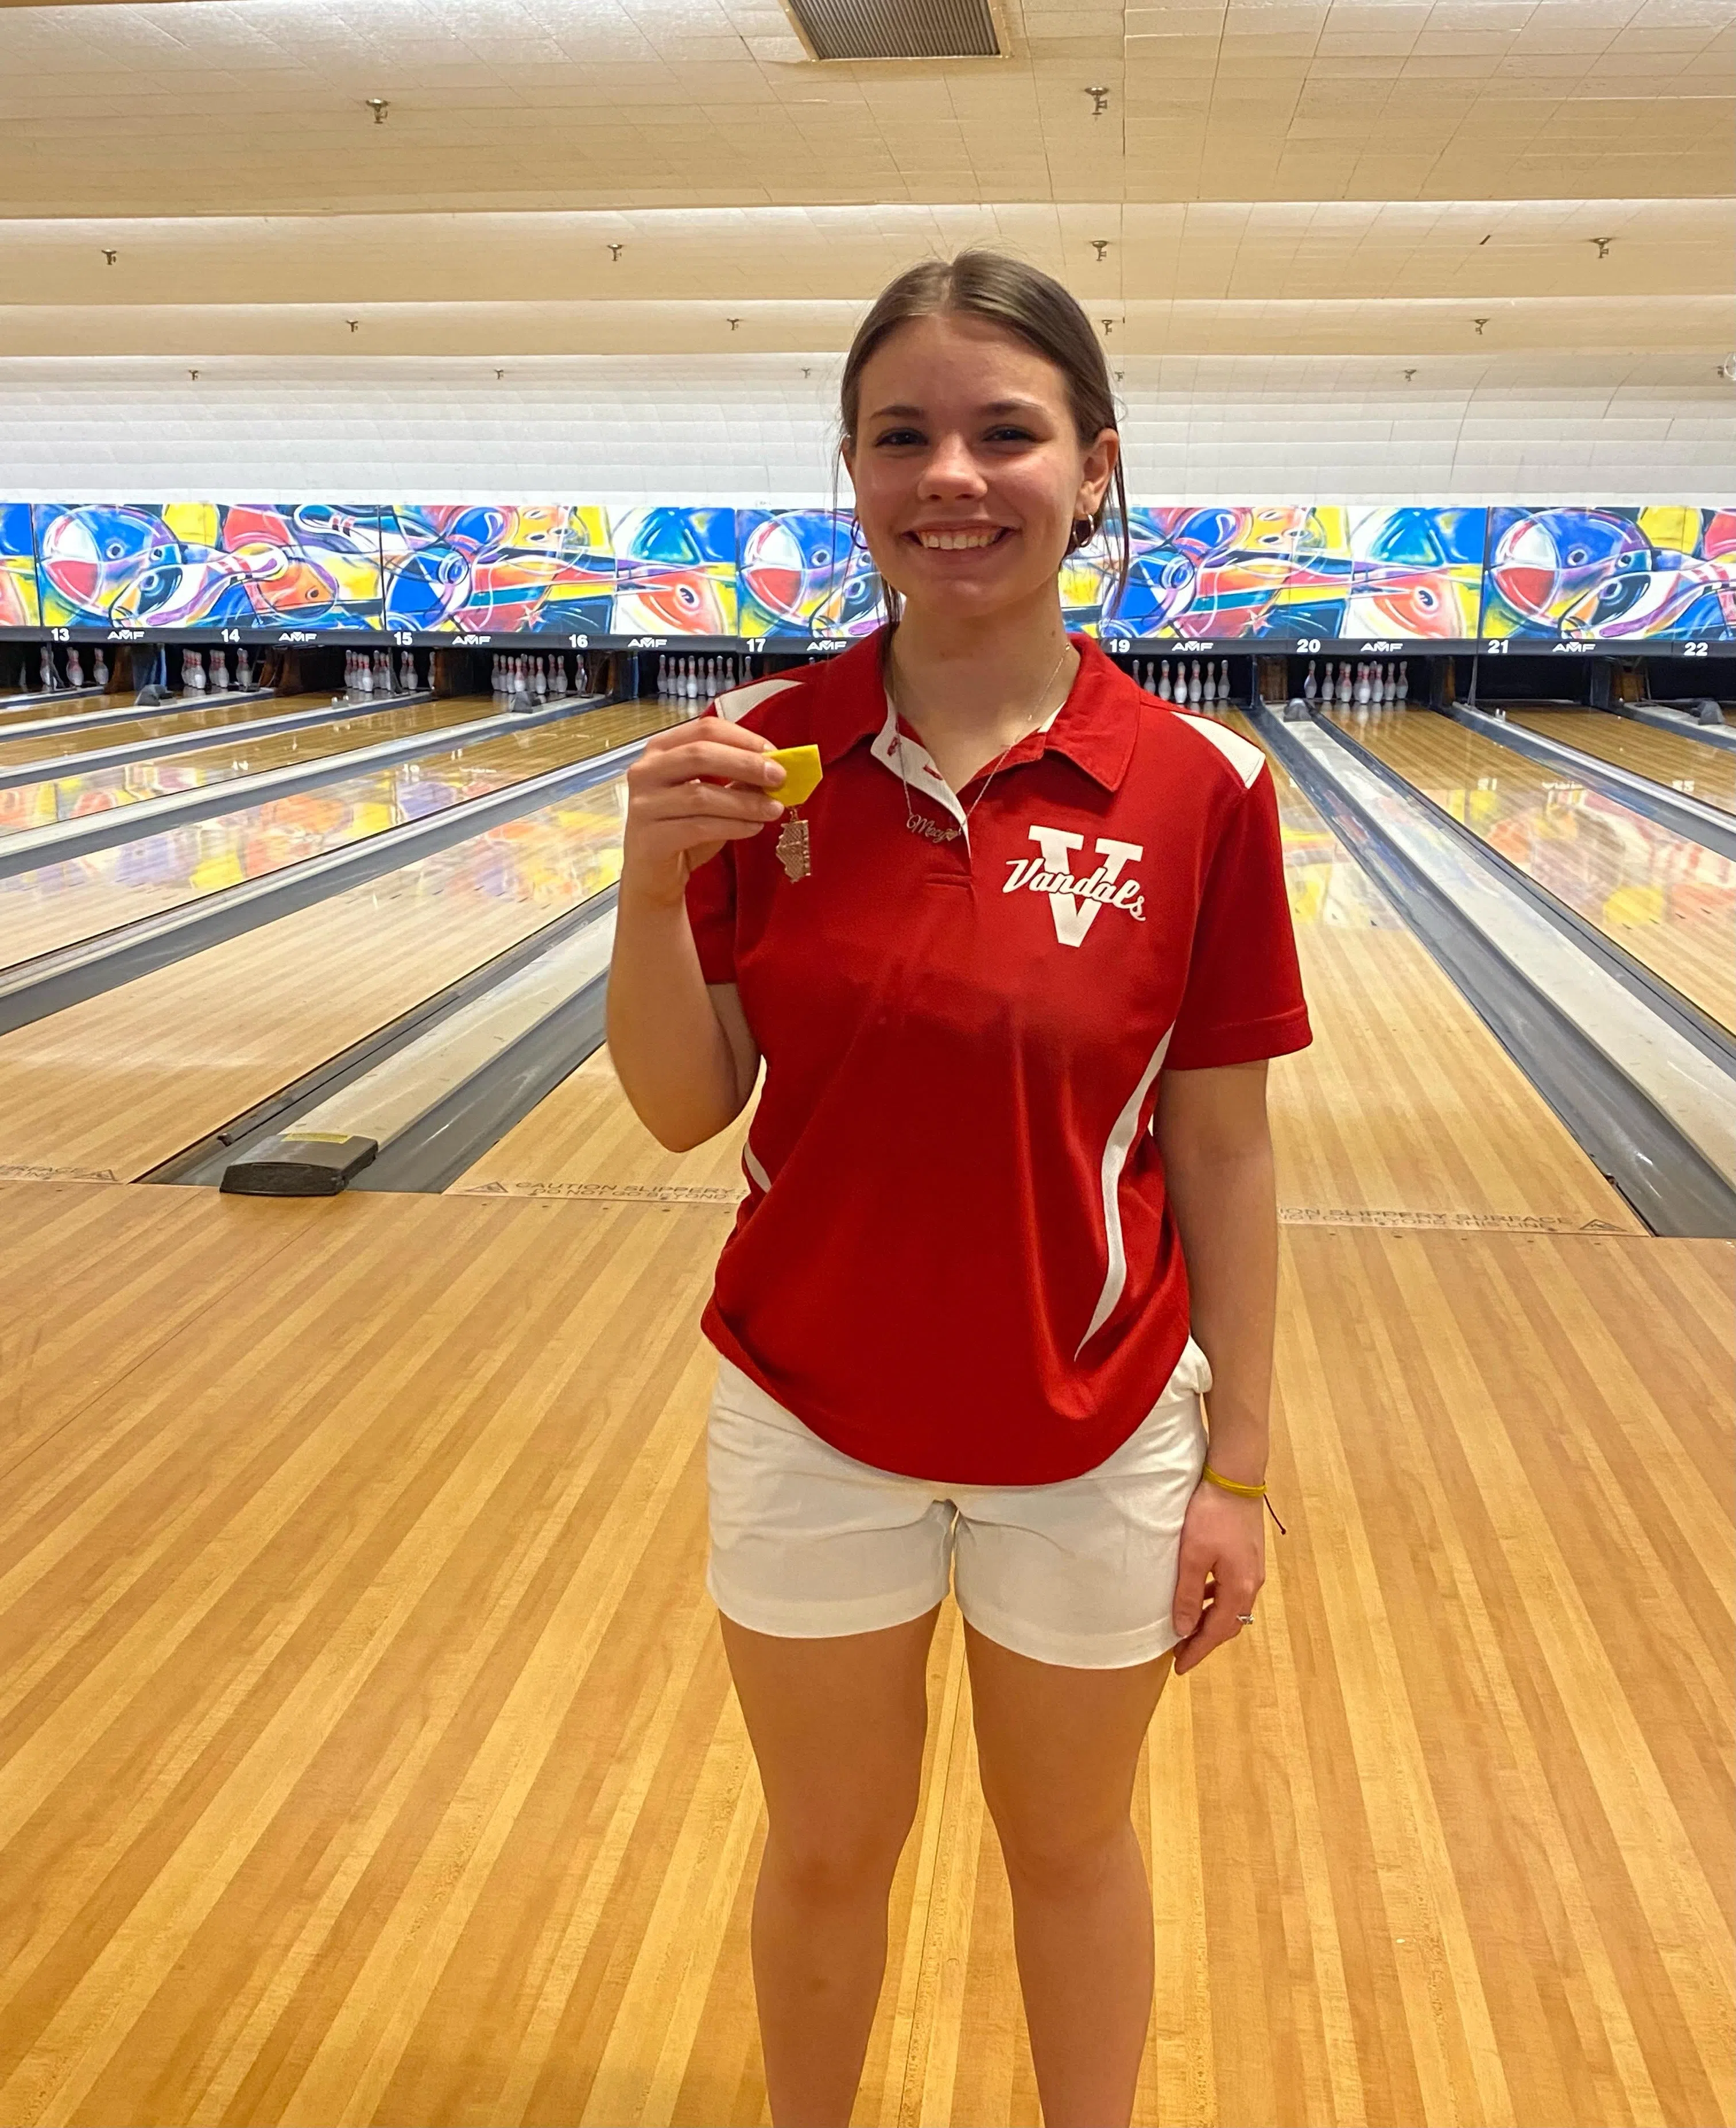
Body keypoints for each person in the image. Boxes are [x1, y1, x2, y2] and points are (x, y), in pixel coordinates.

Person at [606, 250, 1312, 2128]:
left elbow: (1226, 1154)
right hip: (806, 1407)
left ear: (1094, 466)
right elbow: (685, 1109)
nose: (954, 476)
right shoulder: (763, 757)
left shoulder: (1203, 786)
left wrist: (1240, 1467)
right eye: (903, 434)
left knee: (1071, 1851)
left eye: (1006, 433)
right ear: (851, 474)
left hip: (1093, 1429)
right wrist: (644, 887)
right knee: (826, 1852)